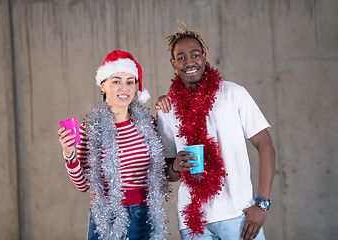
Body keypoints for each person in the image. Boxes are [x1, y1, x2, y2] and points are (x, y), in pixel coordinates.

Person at [155, 28, 276, 240]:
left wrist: (262, 204)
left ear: (204, 56)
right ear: (173, 63)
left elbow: (266, 146)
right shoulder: (167, 108)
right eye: (181, 57)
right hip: (193, 222)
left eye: (195, 54)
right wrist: (175, 166)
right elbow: (168, 173)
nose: (189, 62)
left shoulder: (233, 93)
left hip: (238, 214)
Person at [58, 50, 167, 240]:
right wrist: (69, 155)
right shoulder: (89, 129)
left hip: (146, 217)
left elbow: (168, 158)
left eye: (130, 82)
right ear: (103, 85)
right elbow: (84, 185)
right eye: (116, 81)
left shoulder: (148, 124)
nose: (124, 88)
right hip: (107, 217)